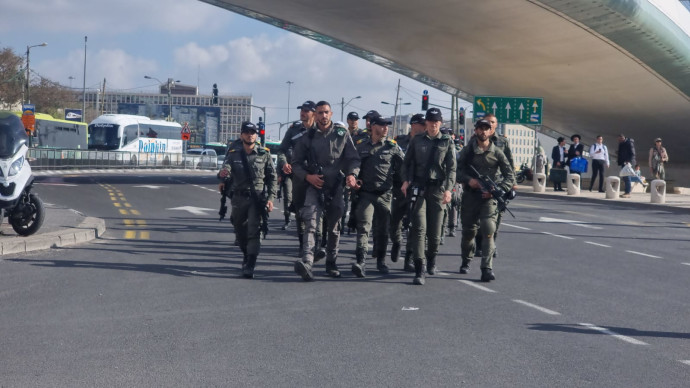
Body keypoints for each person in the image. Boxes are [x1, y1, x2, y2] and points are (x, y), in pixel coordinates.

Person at [292, 101, 360, 281]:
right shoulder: (308, 136)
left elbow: (353, 158)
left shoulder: (341, 134)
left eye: (326, 113)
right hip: (315, 185)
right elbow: (296, 163)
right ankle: (307, 262)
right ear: (315, 115)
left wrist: (352, 175)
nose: (323, 116)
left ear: (331, 114)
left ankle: (331, 262)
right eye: (320, 113)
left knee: (334, 227)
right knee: (311, 223)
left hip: (336, 186)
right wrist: (308, 177)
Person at [401, 107, 456, 285]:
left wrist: (448, 189)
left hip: (438, 190)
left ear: (440, 123)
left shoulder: (447, 142)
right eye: (430, 121)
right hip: (419, 188)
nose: (433, 124)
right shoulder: (417, 140)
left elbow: (451, 169)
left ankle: (431, 258)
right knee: (418, 229)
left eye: (436, 121)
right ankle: (420, 267)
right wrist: (405, 181)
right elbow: (406, 163)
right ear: (426, 123)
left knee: (434, 234)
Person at [457, 119, 515, 282]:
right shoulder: (468, 151)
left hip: (489, 199)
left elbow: (510, 175)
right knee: (469, 232)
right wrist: (469, 181)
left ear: (491, 132)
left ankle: (486, 268)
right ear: (475, 131)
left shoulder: (497, 152)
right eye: (480, 129)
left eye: (486, 129)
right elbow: (456, 171)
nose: (483, 132)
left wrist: (498, 190)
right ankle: (466, 260)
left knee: (488, 231)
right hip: (470, 197)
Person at [217, 121, 276, 279]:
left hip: (257, 198)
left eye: (253, 132)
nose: (250, 134)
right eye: (247, 132)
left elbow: (272, 178)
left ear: (256, 135)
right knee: (240, 231)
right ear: (241, 134)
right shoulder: (234, 153)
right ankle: (246, 254)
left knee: (254, 230)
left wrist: (271, 198)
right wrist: (223, 175)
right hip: (238, 198)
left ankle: (250, 263)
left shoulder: (264, 153)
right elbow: (226, 169)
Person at [351, 115, 404, 277]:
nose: (386, 128)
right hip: (366, 194)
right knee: (364, 227)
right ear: (373, 127)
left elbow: (404, 167)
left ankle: (381, 261)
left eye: (387, 125)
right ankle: (361, 261)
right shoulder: (360, 146)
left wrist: (405, 184)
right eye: (382, 125)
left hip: (385, 195)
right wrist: (353, 176)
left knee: (382, 230)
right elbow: (354, 164)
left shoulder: (393, 146)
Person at [474, 113, 515, 259]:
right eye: (487, 123)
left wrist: (512, 184)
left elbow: (509, 162)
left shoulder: (502, 142)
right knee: (481, 220)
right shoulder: (475, 140)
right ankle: (479, 245)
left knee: (496, 218)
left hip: (498, 184)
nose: (489, 126)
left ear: (495, 125)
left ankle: (492, 245)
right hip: (480, 185)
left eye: (492, 123)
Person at [278, 101, 316, 254]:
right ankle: (303, 244)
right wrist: (284, 163)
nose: (303, 113)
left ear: (313, 113)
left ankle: (318, 243)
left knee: (318, 211)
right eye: (302, 110)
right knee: (300, 211)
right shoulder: (293, 130)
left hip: (317, 175)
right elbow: (281, 150)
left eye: (307, 110)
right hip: (299, 176)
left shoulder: (320, 129)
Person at [390, 113, 426, 272]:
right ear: (413, 125)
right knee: (393, 222)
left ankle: (410, 258)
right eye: (422, 124)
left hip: (416, 188)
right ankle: (396, 242)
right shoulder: (399, 141)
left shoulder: (425, 143)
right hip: (399, 188)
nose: (425, 126)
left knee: (414, 224)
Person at [617, 133, 636, 198]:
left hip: (628, 162)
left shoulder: (629, 143)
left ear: (623, 138)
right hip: (623, 162)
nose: (619, 140)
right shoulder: (621, 143)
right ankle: (626, 191)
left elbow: (632, 153)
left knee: (627, 177)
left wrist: (628, 161)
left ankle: (628, 192)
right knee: (625, 177)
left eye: (620, 139)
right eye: (619, 139)